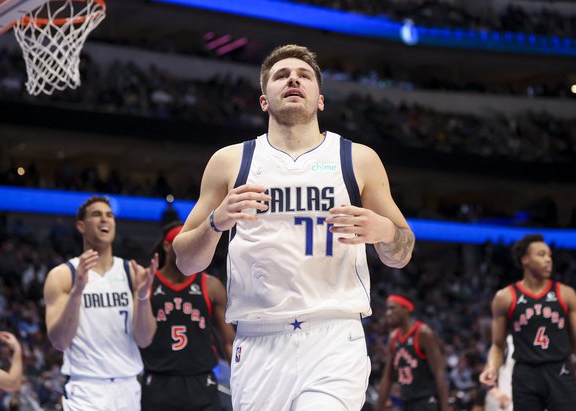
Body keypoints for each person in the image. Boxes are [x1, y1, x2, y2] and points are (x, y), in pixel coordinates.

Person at [172, 44, 415, 410]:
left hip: (333, 335)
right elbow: (186, 262)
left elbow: (402, 251)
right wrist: (217, 221)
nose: (293, 80)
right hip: (258, 340)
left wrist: (384, 231)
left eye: (303, 75)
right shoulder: (230, 161)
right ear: (264, 101)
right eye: (281, 76)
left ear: (320, 100)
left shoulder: (358, 159)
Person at [479, 233, 576, 410]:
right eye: (541, 255)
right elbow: (497, 346)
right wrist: (492, 369)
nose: (548, 260)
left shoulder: (565, 294)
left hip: (560, 370)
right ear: (525, 260)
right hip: (525, 374)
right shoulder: (505, 297)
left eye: (549, 255)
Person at [43, 195, 157, 411]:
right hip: (86, 389)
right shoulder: (62, 275)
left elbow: (145, 339)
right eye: (96, 215)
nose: (105, 220)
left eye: (109, 215)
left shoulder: (132, 273)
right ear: (81, 226)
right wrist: (77, 292)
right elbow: (59, 341)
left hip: (128, 387)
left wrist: (142, 297)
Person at [140, 222, 236, 411]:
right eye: (181, 241)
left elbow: (228, 341)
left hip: (201, 381)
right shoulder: (146, 283)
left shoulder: (210, 286)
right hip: (159, 381)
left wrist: (240, 377)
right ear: (167, 246)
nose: (189, 246)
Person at [375, 295, 450, 411]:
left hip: (427, 401)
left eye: (392, 308)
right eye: (387, 309)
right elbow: (388, 378)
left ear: (406, 309)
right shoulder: (394, 337)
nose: (388, 313)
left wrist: (445, 408)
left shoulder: (423, 333)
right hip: (406, 402)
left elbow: (439, 372)